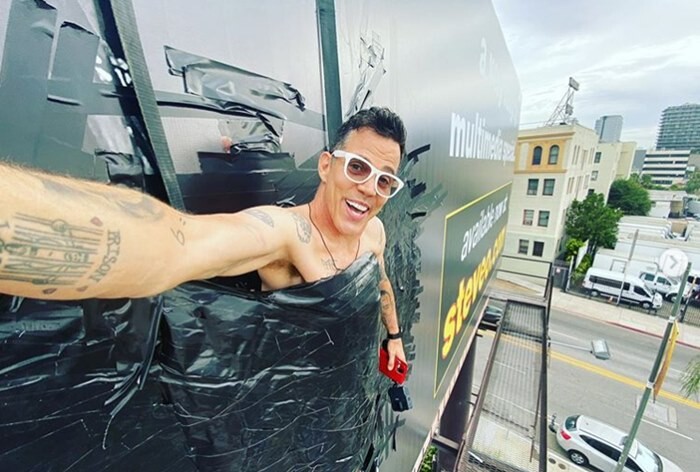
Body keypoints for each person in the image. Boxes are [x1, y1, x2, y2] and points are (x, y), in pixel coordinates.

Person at [0, 106, 407, 369]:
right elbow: (177, 245)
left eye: (384, 180)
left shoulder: (374, 231)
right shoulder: (286, 234)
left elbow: (382, 283)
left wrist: (394, 336)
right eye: (357, 167)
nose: (369, 189)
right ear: (326, 166)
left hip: (340, 385)